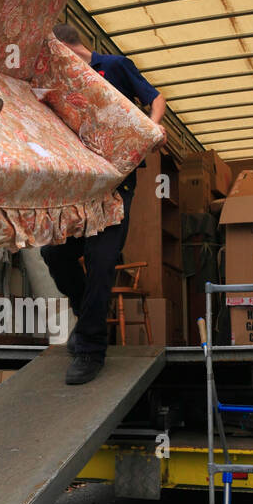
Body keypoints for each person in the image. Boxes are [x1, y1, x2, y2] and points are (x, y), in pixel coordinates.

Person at [41, 24, 166, 384]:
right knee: (54, 253)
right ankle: (88, 314)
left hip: (117, 185)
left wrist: (152, 129)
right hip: (82, 187)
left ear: (66, 47)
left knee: (101, 258)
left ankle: (92, 349)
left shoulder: (115, 65)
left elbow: (156, 99)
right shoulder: (67, 82)